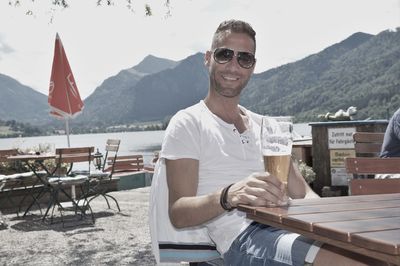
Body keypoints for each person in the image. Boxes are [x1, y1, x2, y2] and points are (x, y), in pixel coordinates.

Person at [149, 19, 386, 265]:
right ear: (208, 58)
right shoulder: (188, 122)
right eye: (224, 54)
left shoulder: (268, 126)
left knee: (374, 253)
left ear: (252, 67)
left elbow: (303, 193)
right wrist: (229, 195)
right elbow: (178, 212)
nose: (234, 65)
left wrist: (332, 222)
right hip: (244, 236)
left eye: (245, 58)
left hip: (293, 225)